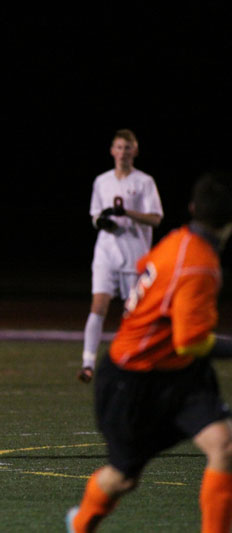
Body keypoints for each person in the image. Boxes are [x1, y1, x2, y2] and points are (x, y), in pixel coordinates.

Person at [66, 173, 232, 533]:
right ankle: (79, 525)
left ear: (192, 210)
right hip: (133, 378)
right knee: (123, 478)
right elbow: (191, 342)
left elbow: (148, 276)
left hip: (178, 373)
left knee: (224, 445)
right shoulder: (200, 264)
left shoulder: (177, 241)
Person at [79, 129, 163, 383]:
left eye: (128, 148)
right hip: (106, 253)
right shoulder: (101, 181)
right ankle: (87, 363)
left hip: (135, 255)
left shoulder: (144, 182)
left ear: (135, 151)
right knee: (98, 305)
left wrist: (126, 213)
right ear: (112, 151)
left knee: (134, 313)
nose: (123, 152)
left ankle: (137, 360)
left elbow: (156, 218)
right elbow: (95, 216)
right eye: (119, 147)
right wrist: (102, 222)